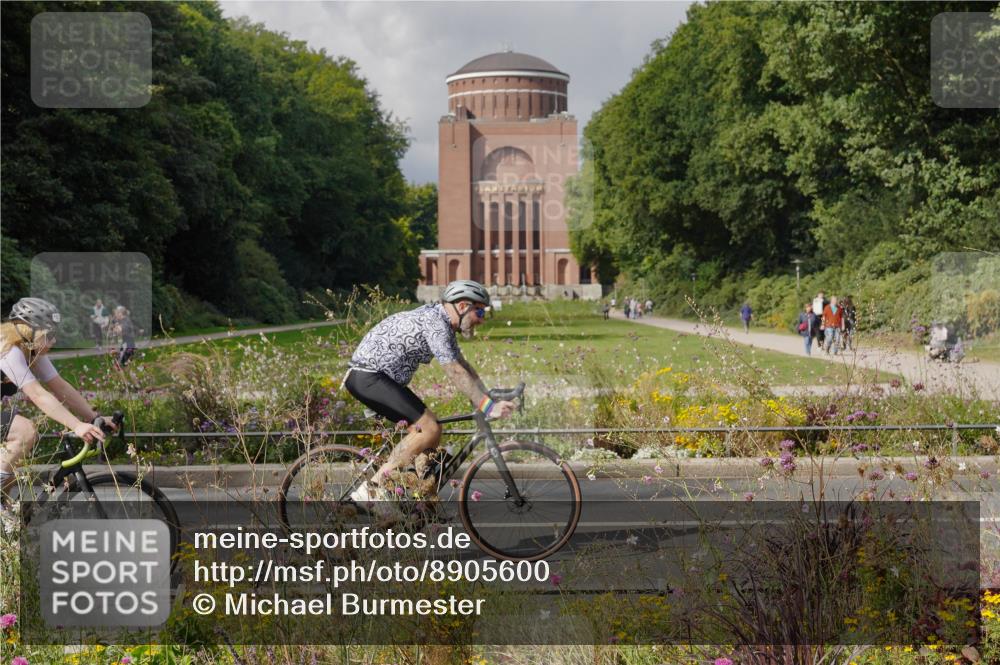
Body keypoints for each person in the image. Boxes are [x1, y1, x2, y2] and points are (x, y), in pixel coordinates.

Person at [344, 280, 515, 504]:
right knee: (429, 428)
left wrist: (488, 397)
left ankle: (415, 504)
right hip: (368, 376)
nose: (482, 319)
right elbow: (454, 371)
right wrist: (488, 407)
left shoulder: (444, 325)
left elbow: (464, 367)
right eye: (480, 311)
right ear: (463, 306)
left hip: (379, 379)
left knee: (432, 438)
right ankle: (372, 489)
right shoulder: (435, 323)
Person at [1, 298, 112, 505]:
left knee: (8, 477)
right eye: (49, 335)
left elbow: (59, 386)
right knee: (24, 431)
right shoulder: (7, 348)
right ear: (27, 330)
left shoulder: (31, 349)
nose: (53, 341)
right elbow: (37, 394)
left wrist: (94, 418)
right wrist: (77, 425)